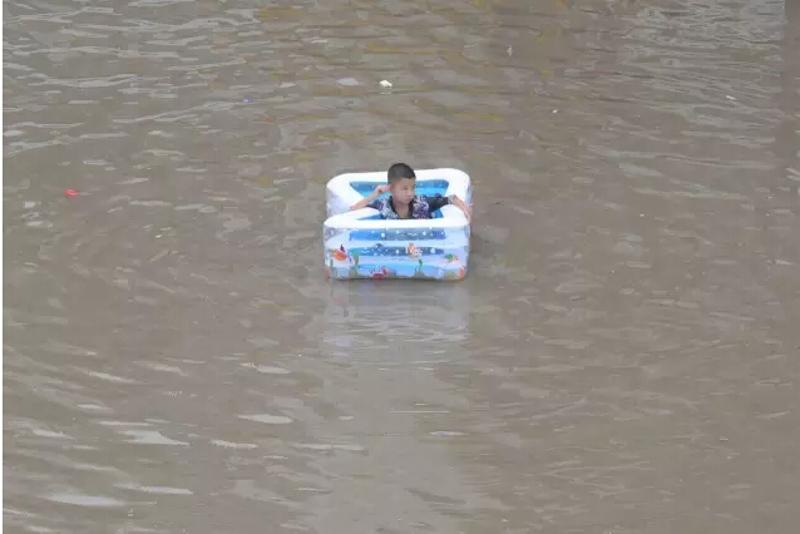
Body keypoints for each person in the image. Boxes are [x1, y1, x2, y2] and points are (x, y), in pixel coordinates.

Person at [349, 163, 471, 221]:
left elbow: (451, 199)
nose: (410, 193)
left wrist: (465, 209)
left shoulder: (422, 203)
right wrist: (375, 194)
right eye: (404, 188)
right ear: (391, 189)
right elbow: (354, 209)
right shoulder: (383, 205)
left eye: (413, 188)